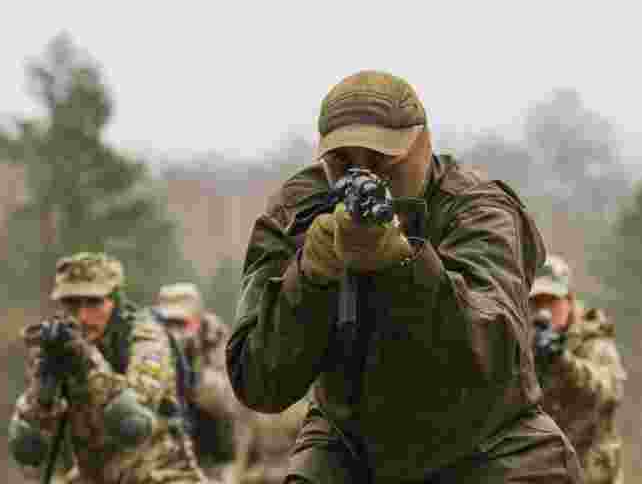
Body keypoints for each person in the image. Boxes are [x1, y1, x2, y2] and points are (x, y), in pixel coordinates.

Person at [226, 70, 582, 483]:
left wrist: (403, 264)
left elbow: (489, 353)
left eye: (381, 160)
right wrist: (309, 278)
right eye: (342, 162)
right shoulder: (297, 213)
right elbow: (258, 381)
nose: (362, 176)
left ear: (422, 147)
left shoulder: (478, 210)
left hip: (487, 444)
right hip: (353, 447)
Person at [8, 252, 206, 483]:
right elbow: (28, 449)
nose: (82, 316)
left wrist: (88, 362)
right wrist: (44, 384)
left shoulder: (145, 337)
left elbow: (133, 424)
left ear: (115, 302)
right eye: (71, 303)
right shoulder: (60, 347)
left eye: (94, 303)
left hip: (161, 476)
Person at [529, 254, 626, 484]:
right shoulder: (523, 345)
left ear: (569, 301)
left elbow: (608, 391)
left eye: (552, 301)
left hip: (592, 474)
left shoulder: (594, 340)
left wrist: (563, 363)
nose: (544, 311)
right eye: (537, 303)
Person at [154, 282, 239, 480]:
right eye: (168, 323)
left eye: (182, 323)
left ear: (198, 319)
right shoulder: (150, 340)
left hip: (210, 451)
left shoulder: (215, 339)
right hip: (165, 450)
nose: (175, 331)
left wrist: (195, 364)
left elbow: (226, 401)